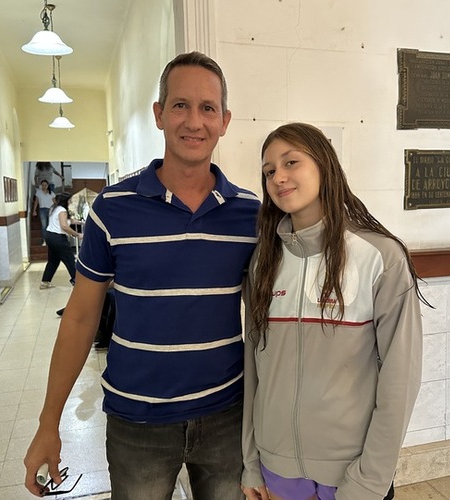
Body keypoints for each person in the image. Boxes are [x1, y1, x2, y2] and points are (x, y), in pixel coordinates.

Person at [24, 51, 259, 500]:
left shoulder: (250, 214)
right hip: (137, 423)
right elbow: (79, 319)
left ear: (225, 120)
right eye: (180, 105)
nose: (194, 121)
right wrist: (49, 423)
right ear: (159, 114)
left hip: (228, 417)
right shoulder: (113, 208)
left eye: (208, 108)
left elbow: (274, 315)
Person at [241, 123, 428, 500]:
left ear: (324, 166)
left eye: (291, 162)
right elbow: (253, 368)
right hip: (276, 470)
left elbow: (400, 377)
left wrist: (371, 479)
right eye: (268, 171)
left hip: (351, 473)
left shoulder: (380, 256)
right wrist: (251, 462)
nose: (278, 177)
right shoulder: (263, 259)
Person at [39, 192, 82, 289]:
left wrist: (81, 222)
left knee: (53, 261)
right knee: (70, 259)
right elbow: (64, 226)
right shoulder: (62, 210)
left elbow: (67, 221)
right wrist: (77, 234)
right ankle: (77, 282)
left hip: (50, 236)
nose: (71, 202)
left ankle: (45, 282)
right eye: (70, 200)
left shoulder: (54, 208)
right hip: (58, 238)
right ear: (66, 201)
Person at [32, 180, 55, 245]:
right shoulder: (38, 193)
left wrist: (56, 209)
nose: (44, 186)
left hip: (50, 209)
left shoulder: (51, 193)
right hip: (42, 210)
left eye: (45, 185)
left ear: (48, 186)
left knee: (50, 225)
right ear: (41, 186)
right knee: (44, 226)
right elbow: (36, 202)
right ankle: (44, 240)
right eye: (43, 185)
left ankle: (51, 240)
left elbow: (54, 202)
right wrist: (34, 210)